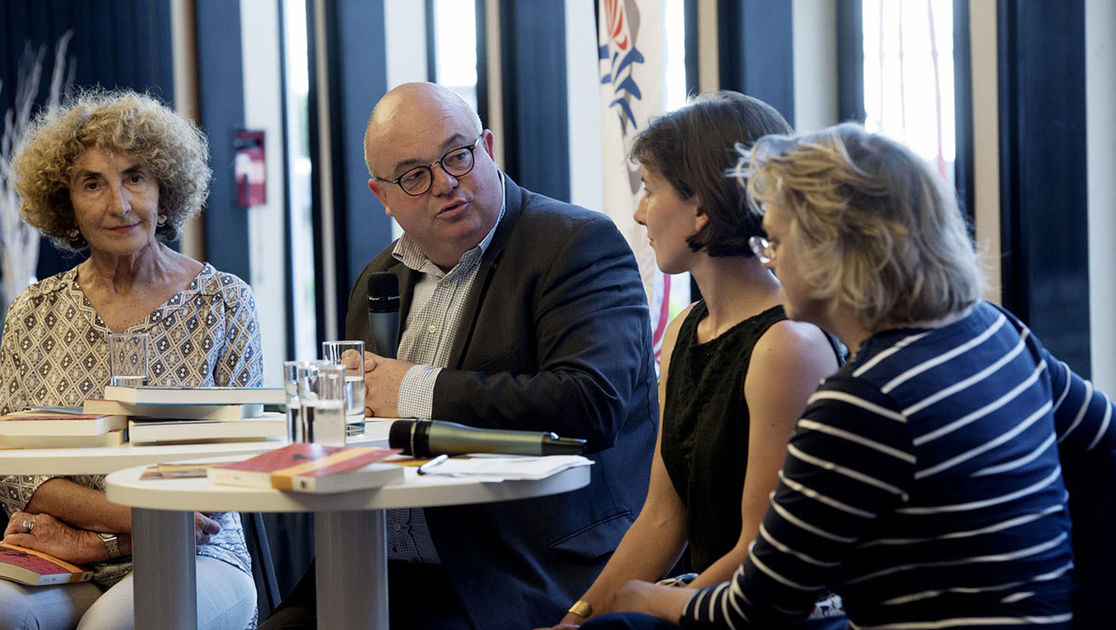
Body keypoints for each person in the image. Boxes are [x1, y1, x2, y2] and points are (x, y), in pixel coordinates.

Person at [581, 122, 1116, 629]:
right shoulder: (996, 330)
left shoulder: (863, 402)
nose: (769, 261)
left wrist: (644, 598)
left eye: (776, 241)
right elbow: (1108, 439)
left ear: (833, 251)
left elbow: (755, 610)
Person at [257, 82, 657, 630]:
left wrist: (413, 389)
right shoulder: (378, 279)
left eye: (457, 156)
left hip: (514, 568)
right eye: (416, 175)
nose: (446, 183)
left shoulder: (575, 245)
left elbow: (591, 404)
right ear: (383, 196)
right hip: (371, 560)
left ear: (487, 147)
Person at [538, 92, 844, 630]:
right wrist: (575, 617)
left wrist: (656, 604)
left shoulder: (787, 345)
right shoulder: (684, 330)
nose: (638, 212)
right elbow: (661, 517)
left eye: (650, 191)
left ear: (701, 207)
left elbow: (760, 550)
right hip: (703, 604)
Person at [0, 89, 263, 630]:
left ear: (164, 189)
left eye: (135, 177)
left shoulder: (224, 303)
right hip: (62, 559)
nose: (118, 204)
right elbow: (15, 474)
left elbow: (235, 463)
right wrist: (111, 537)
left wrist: (99, 537)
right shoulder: (33, 310)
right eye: (92, 183)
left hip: (201, 553)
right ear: (65, 201)